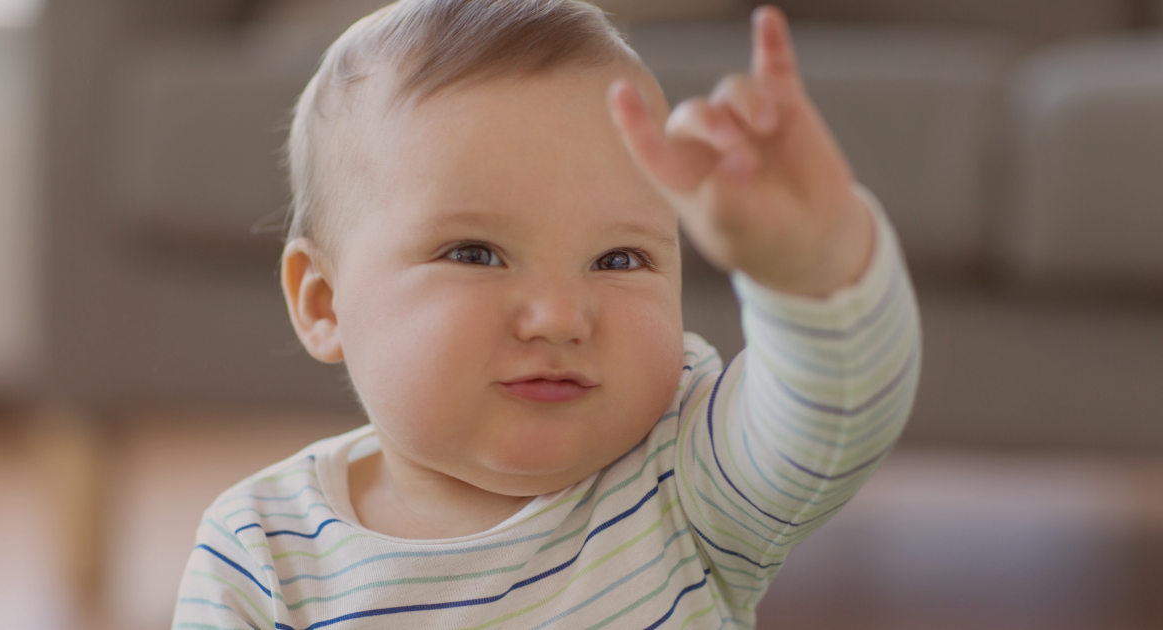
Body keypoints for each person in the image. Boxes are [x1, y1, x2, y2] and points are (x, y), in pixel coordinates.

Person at [172, 1, 920, 628]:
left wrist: (816, 264)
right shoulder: (263, 553)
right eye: (475, 253)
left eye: (619, 259)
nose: (561, 317)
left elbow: (833, 415)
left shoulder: (679, 472)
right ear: (324, 301)